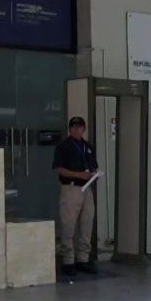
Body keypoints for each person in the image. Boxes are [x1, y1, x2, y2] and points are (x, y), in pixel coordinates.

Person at [52, 116, 98, 277]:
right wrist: (78, 174)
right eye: (74, 127)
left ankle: (83, 259)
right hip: (71, 188)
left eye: (80, 127)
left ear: (84, 129)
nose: (77, 129)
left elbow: (93, 166)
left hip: (87, 189)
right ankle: (68, 261)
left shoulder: (88, 146)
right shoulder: (63, 147)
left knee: (87, 224)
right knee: (68, 225)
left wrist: (93, 174)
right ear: (70, 129)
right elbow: (59, 169)